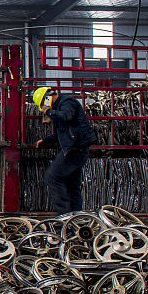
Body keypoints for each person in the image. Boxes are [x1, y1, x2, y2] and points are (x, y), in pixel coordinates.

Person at [32, 85, 96, 213]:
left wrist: (49, 111)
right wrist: (45, 140)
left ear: (47, 99)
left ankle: (64, 215)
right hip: (75, 148)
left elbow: (67, 116)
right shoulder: (60, 107)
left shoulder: (67, 102)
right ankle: (75, 217)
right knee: (72, 184)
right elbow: (60, 133)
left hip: (75, 148)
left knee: (53, 176)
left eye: (43, 104)